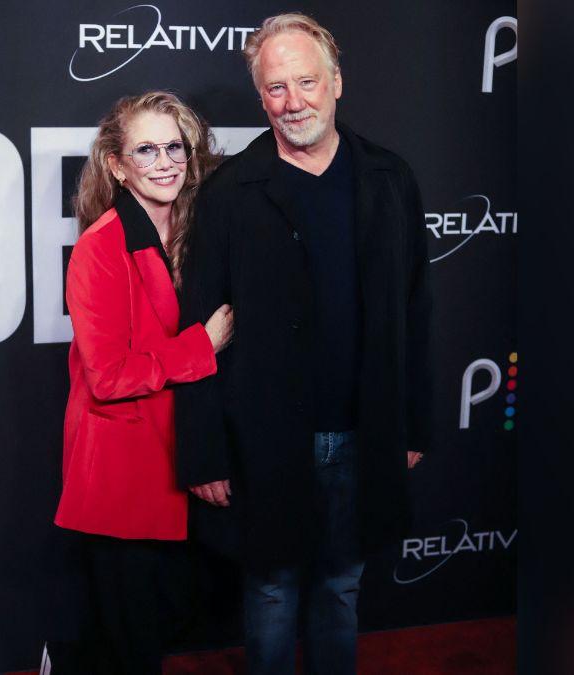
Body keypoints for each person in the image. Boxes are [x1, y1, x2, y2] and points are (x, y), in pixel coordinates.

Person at [174, 13, 432, 675]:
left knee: (341, 588)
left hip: (362, 432)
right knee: (269, 590)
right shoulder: (228, 195)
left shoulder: (391, 180)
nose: (295, 102)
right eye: (277, 88)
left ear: (337, 82)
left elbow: (415, 310)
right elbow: (196, 329)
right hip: (262, 439)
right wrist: (204, 450)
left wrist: (412, 424)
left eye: (307, 82)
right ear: (261, 98)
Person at [54, 90, 233, 675]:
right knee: (130, 647)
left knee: (163, 621)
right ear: (116, 163)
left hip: (179, 461)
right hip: (122, 476)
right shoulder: (99, 249)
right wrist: (200, 347)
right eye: (146, 149)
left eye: (174, 147)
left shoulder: (196, 233)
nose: (165, 161)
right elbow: (106, 377)